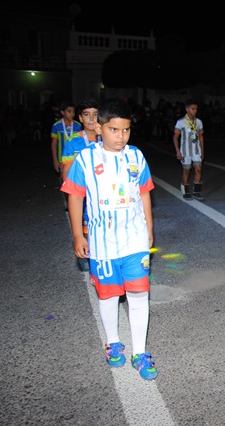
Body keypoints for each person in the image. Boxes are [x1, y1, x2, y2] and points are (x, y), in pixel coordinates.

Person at [60, 98, 158, 380]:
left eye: (126, 130)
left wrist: (149, 228)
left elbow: (144, 193)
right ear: (98, 127)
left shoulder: (136, 156)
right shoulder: (86, 159)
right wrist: (78, 235)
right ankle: (113, 342)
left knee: (139, 295)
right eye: (114, 130)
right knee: (109, 295)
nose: (120, 136)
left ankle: (140, 352)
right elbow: (75, 196)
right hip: (102, 243)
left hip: (134, 239)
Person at [61, 98, 101, 272]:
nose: (91, 119)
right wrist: (71, 194)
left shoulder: (106, 137)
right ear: (80, 118)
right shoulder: (73, 141)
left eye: (95, 114)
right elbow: (67, 170)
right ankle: (85, 250)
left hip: (104, 191)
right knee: (85, 224)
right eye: (87, 115)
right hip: (83, 192)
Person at [173, 98, 204, 201]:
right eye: (192, 109)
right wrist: (178, 151)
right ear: (187, 109)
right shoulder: (181, 122)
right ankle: (185, 191)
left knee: (198, 169)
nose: (195, 111)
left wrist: (203, 151)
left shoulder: (198, 122)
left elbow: (201, 137)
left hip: (196, 150)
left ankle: (196, 191)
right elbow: (175, 137)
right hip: (185, 151)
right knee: (186, 171)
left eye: (196, 109)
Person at [51, 100, 82, 179]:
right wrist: (55, 161)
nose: (72, 114)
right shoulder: (57, 126)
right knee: (64, 180)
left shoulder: (78, 126)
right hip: (61, 158)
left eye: (73, 111)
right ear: (62, 112)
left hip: (75, 158)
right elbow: (54, 144)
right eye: (69, 111)